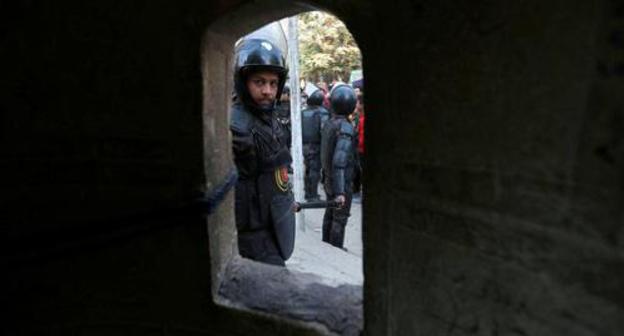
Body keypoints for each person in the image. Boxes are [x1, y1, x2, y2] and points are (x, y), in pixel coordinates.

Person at [229, 36, 295, 266]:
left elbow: (276, 173)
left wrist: (284, 201)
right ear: (243, 82)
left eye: (273, 83)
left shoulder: (269, 119)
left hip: (271, 229)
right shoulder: (234, 128)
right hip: (250, 239)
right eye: (259, 82)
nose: (268, 91)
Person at [320, 84, 357, 249]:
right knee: (339, 219)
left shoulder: (329, 123)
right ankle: (335, 250)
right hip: (341, 181)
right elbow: (340, 160)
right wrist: (341, 191)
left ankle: (326, 246)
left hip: (329, 178)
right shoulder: (345, 128)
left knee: (329, 213)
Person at [301, 89, 330, 201]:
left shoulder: (302, 112)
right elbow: (324, 131)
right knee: (314, 170)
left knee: (308, 169)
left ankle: (308, 193)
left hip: (305, 145)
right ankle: (312, 195)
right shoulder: (322, 113)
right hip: (317, 146)